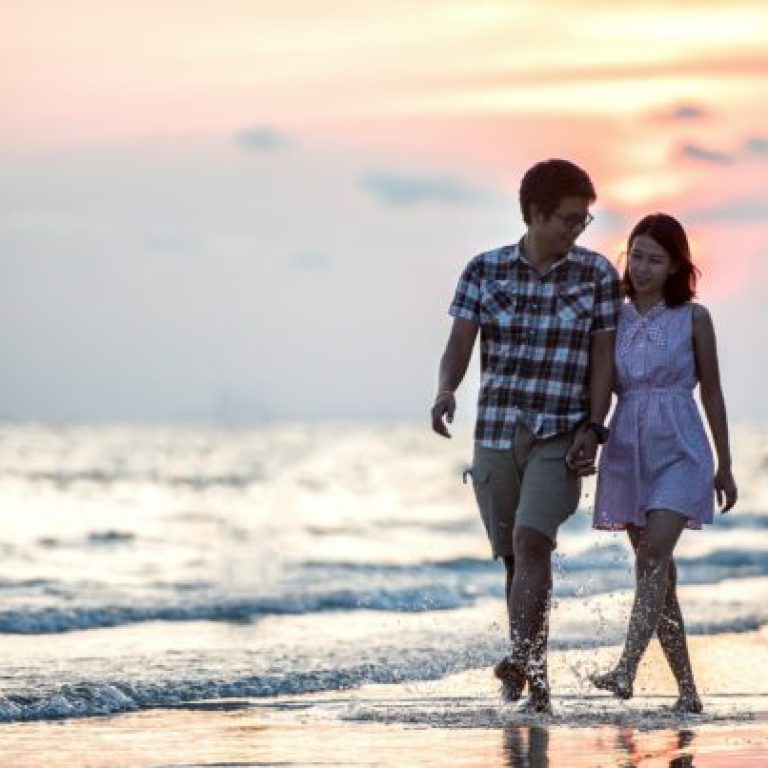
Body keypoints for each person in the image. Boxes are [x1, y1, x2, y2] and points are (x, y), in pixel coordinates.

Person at [431, 158, 621, 713]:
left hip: (560, 433)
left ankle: (522, 662)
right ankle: (532, 680)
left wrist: (594, 425)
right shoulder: (483, 271)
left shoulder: (596, 275)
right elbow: (458, 345)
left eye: (584, 220)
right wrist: (446, 391)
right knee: (515, 559)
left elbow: (603, 362)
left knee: (532, 540)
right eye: (568, 219)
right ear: (536, 214)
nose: (577, 230)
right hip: (496, 431)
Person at [590, 213, 738, 714]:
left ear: (676, 265)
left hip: (682, 447)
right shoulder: (614, 316)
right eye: (637, 255)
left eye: (657, 258)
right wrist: (585, 437)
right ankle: (688, 693)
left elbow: (713, 393)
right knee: (659, 576)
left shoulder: (694, 318)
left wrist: (726, 464)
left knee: (652, 557)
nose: (644, 266)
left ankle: (625, 670)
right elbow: (600, 386)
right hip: (628, 449)